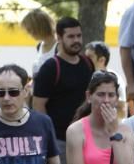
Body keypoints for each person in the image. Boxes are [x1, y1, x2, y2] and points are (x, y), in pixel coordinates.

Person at [32, 17, 94, 154]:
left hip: (86, 136)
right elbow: (38, 105)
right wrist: (49, 136)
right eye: (71, 36)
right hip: (60, 140)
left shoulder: (88, 63)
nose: (76, 40)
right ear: (59, 38)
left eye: (79, 35)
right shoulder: (50, 67)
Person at [21, 9, 58, 77]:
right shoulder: (39, 46)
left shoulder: (59, 47)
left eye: (30, 30)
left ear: (39, 27)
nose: (29, 34)